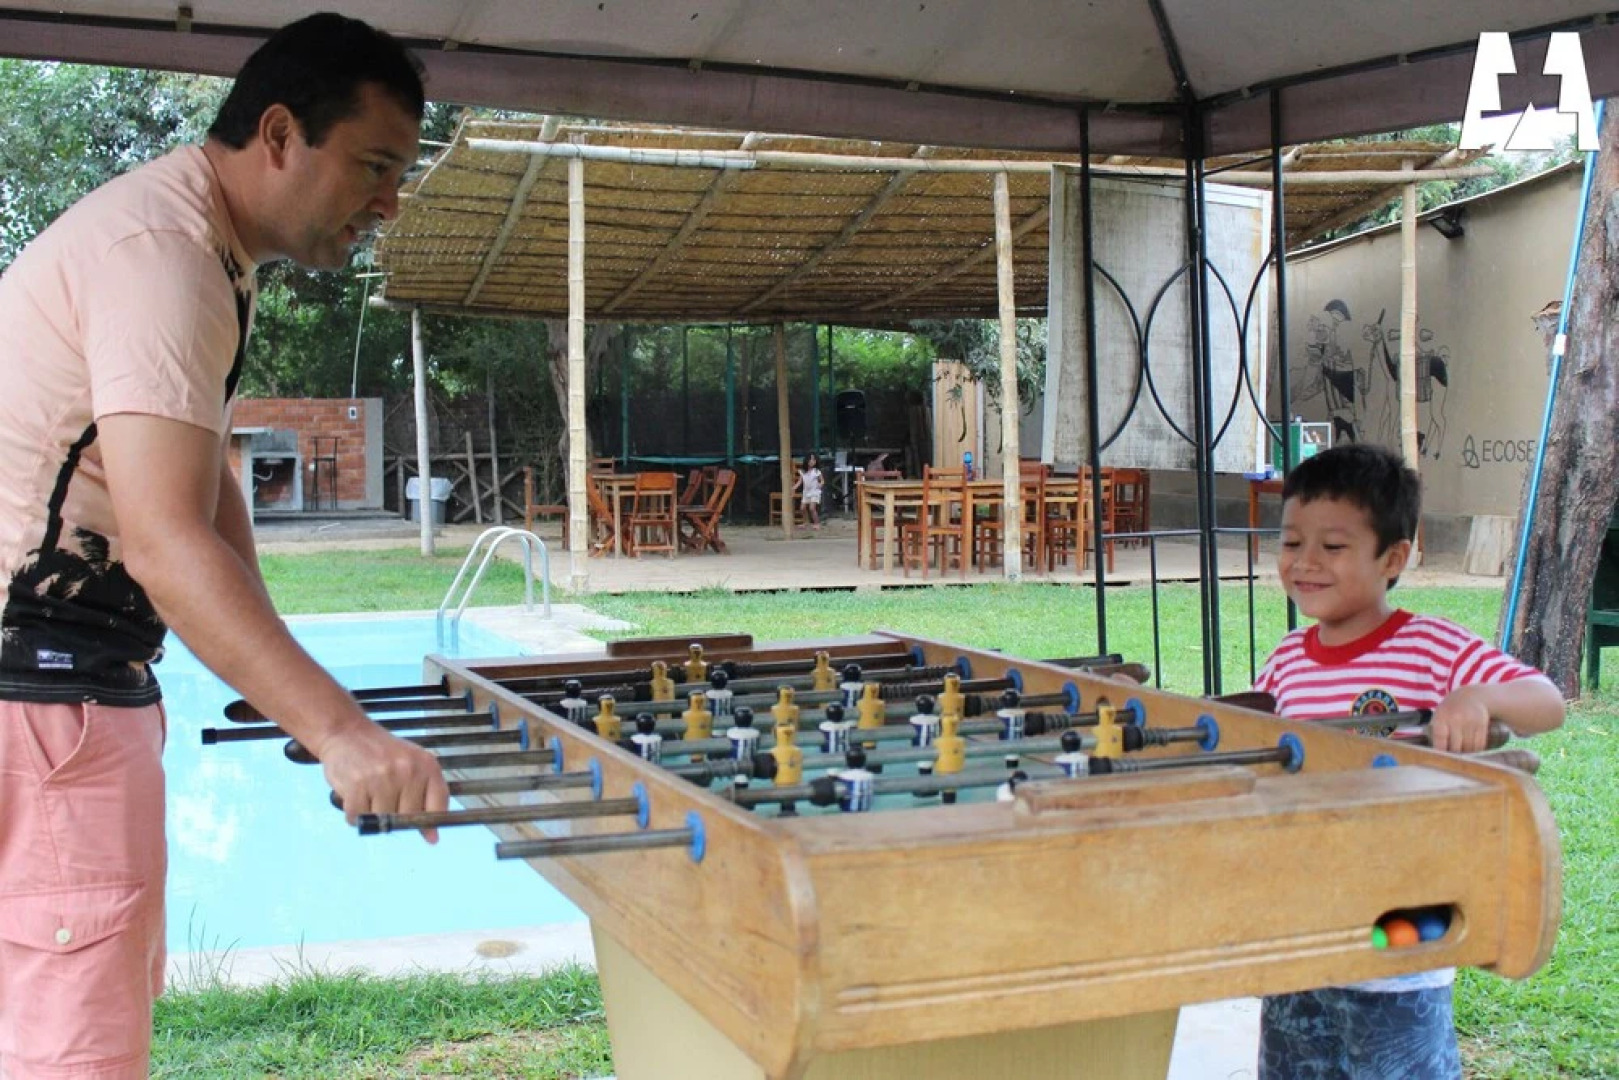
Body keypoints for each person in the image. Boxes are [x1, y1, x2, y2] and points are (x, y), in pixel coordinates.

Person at [0, 15, 448, 1078]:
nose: (388, 203)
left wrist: (287, 684)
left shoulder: (190, 244)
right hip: (43, 708)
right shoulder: (165, 259)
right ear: (281, 133)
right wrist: (341, 733)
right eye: (375, 165)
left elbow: (203, 501)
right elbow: (161, 542)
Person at [1253, 444, 1564, 1079]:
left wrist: (1473, 697)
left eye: (1333, 547)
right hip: (1302, 925)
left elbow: (1547, 702)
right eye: (1291, 543)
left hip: (1401, 929)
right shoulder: (1287, 658)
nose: (1305, 563)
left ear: (1393, 556)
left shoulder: (1428, 647)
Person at [794, 453, 825, 530]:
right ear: (806, 460)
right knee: (802, 508)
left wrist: (820, 485)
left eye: (814, 460)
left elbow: (822, 480)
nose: (812, 461)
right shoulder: (802, 471)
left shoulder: (816, 471)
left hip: (815, 492)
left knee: (812, 508)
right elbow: (800, 481)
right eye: (810, 459)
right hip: (806, 492)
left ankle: (816, 523)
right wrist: (794, 487)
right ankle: (805, 523)